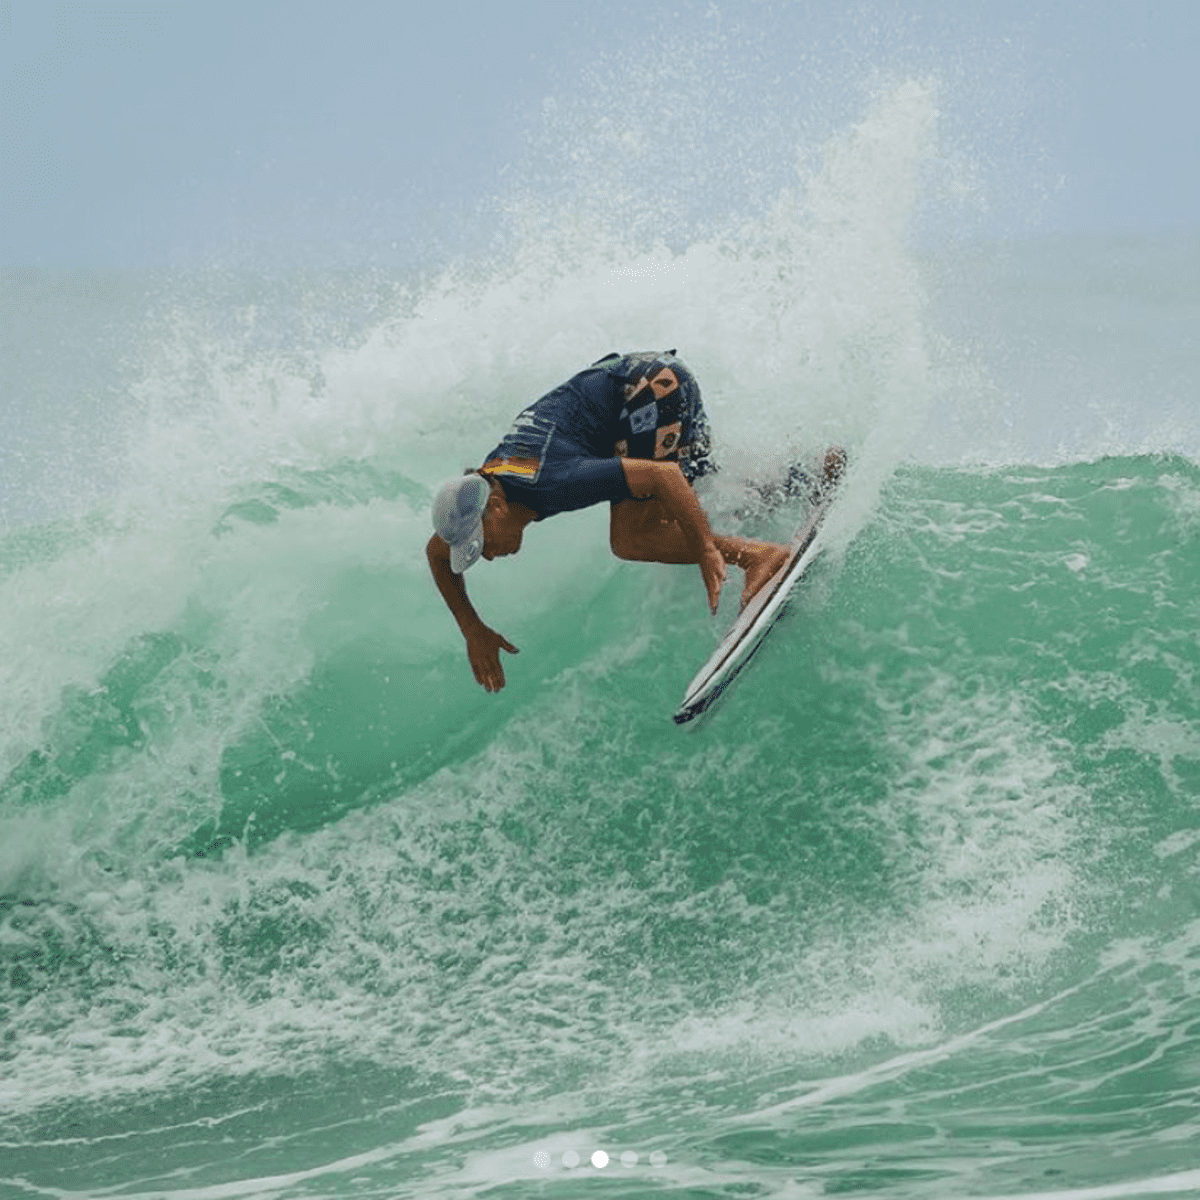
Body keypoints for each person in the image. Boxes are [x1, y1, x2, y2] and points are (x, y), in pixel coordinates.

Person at [426, 351, 840, 693]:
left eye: (483, 545)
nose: (489, 556)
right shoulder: (483, 490)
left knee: (633, 536)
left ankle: (760, 558)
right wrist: (472, 629)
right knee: (700, 499)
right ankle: (810, 469)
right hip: (644, 389)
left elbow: (663, 476)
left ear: (495, 510)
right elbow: (437, 552)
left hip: (649, 391)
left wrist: (707, 549)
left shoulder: (550, 481)